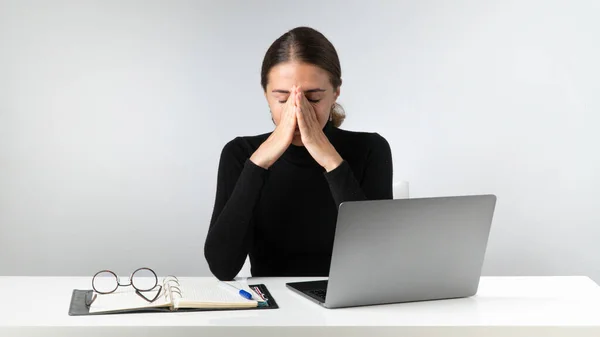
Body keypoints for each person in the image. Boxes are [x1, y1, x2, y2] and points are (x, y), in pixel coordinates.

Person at [204, 27, 393, 281]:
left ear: (336, 92)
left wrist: (330, 160)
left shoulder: (371, 149)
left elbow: (379, 261)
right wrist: (259, 162)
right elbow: (222, 267)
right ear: (266, 95)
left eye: (313, 99)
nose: (298, 110)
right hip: (273, 310)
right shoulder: (240, 154)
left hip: (348, 309)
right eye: (283, 100)